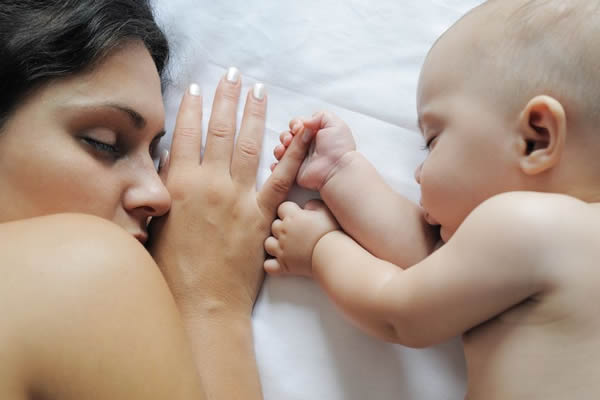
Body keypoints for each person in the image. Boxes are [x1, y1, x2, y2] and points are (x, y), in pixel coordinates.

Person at [265, 0, 600, 398]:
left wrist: (320, 249)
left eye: (432, 141)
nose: (418, 173)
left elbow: (397, 310)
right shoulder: (559, 241)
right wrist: (341, 173)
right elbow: (435, 264)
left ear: (536, 138)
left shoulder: (530, 224)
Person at [0, 1, 309, 399]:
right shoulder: (86, 268)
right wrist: (212, 306)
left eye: (155, 156)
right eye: (104, 143)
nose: (160, 194)